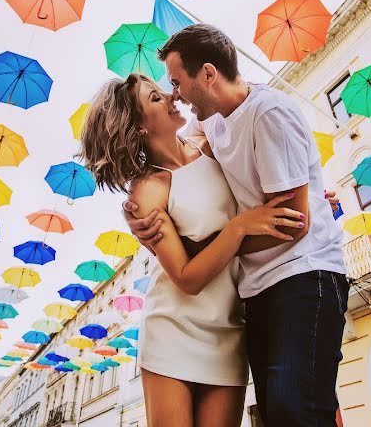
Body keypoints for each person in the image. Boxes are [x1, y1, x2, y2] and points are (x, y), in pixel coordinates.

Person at [124, 24, 349, 426]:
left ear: (208, 74)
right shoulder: (209, 124)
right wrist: (150, 230)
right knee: (283, 411)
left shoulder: (269, 113)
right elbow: (177, 172)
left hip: (302, 272)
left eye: (176, 83)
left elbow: (294, 223)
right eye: (164, 90)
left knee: (294, 409)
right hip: (253, 291)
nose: (175, 94)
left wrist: (206, 245)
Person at [78, 73, 306, 427]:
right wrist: (240, 226)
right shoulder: (147, 192)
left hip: (230, 327)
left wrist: (314, 201)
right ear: (138, 127)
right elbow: (186, 278)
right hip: (173, 330)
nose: (171, 97)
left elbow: (262, 172)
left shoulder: (209, 143)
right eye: (155, 98)